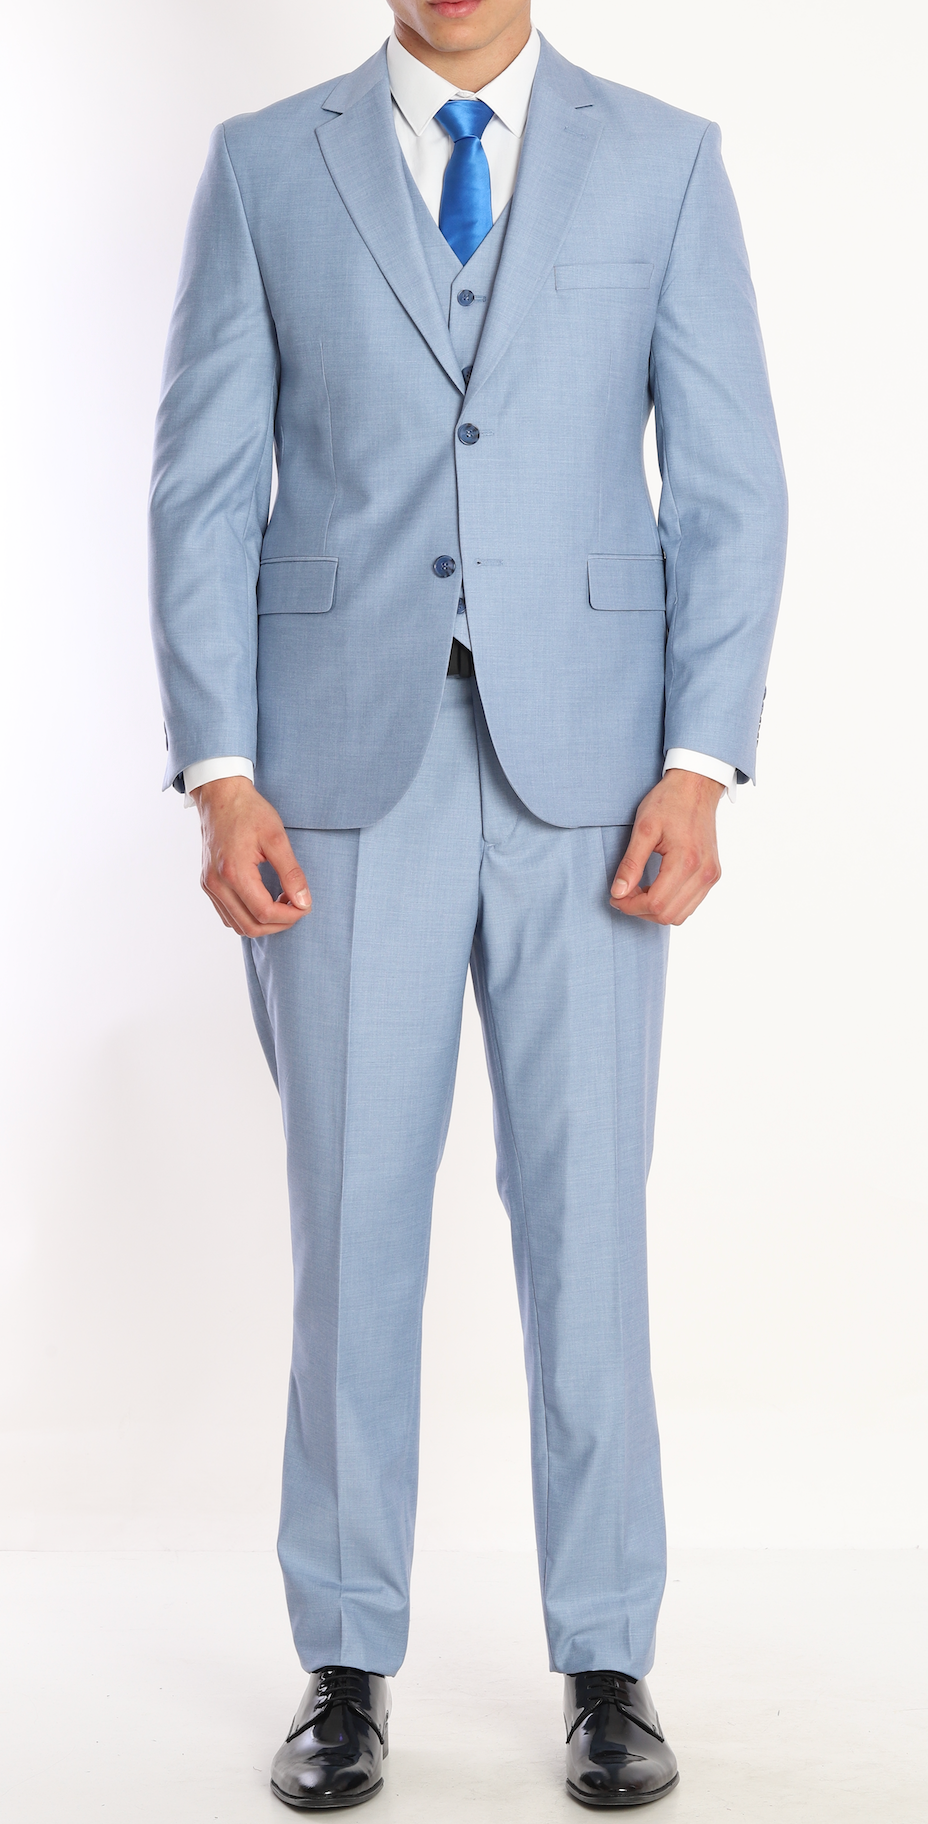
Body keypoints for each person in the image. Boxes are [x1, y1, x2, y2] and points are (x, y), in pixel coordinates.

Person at [149, 0, 787, 1808]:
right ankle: (346, 1661)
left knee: (589, 1225)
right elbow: (202, 484)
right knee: (353, 1225)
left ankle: (609, 1657)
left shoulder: (666, 162)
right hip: (336, 775)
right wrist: (220, 771)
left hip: (598, 780)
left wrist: (701, 762)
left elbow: (730, 485)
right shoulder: (263, 167)